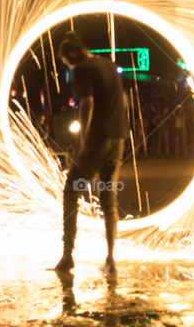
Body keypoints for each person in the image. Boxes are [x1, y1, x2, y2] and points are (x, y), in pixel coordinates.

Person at [53, 32, 129, 274]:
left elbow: (87, 103)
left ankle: (67, 257)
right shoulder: (107, 64)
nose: (68, 67)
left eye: (66, 63)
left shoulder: (83, 69)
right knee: (108, 198)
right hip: (118, 140)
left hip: (98, 142)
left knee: (70, 192)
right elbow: (124, 100)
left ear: (71, 55)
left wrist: (84, 140)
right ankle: (110, 259)